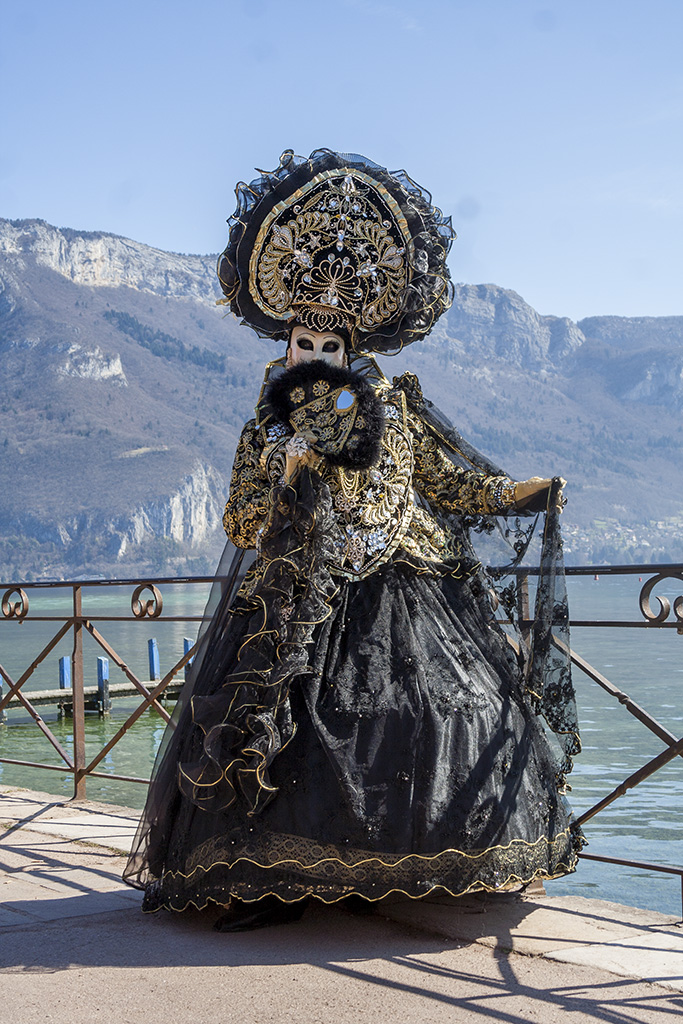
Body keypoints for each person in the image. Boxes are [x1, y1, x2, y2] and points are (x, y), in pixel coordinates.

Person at [124, 149, 583, 931]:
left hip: (411, 586)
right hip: (297, 595)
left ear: (352, 352)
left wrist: (522, 493)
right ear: (285, 347)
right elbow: (239, 524)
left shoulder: (397, 410)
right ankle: (275, 883)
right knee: (293, 733)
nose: (314, 361)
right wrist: (285, 474)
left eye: (328, 350)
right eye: (303, 346)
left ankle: (394, 871)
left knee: (429, 717)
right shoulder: (265, 431)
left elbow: (451, 485)